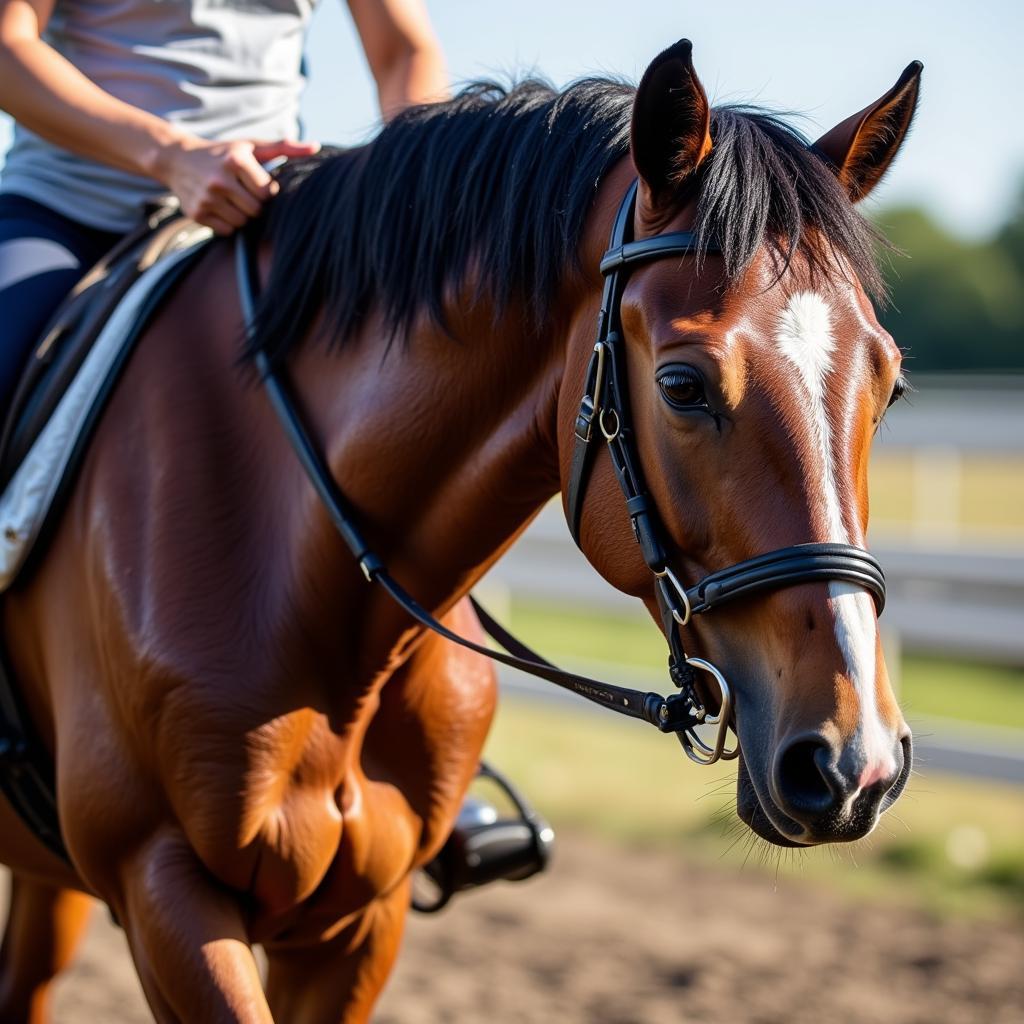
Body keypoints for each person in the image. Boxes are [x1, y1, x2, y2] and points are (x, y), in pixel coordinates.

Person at [0, 0, 448, 408]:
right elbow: (7, 43)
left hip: (258, 212)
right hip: (68, 210)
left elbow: (404, 53)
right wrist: (171, 156)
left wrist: (408, 187)